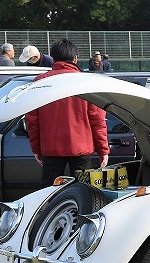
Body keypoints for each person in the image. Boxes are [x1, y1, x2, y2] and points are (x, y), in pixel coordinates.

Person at [25, 39, 108, 186]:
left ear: (53, 59)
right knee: (83, 192)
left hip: (51, 149)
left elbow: (32, 121)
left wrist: (36, 149)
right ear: (75, 58)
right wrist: (103, 150)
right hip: (82, 148)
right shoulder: (87, 82)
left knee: (49, 194)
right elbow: (97, 120)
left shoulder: (39, 82)